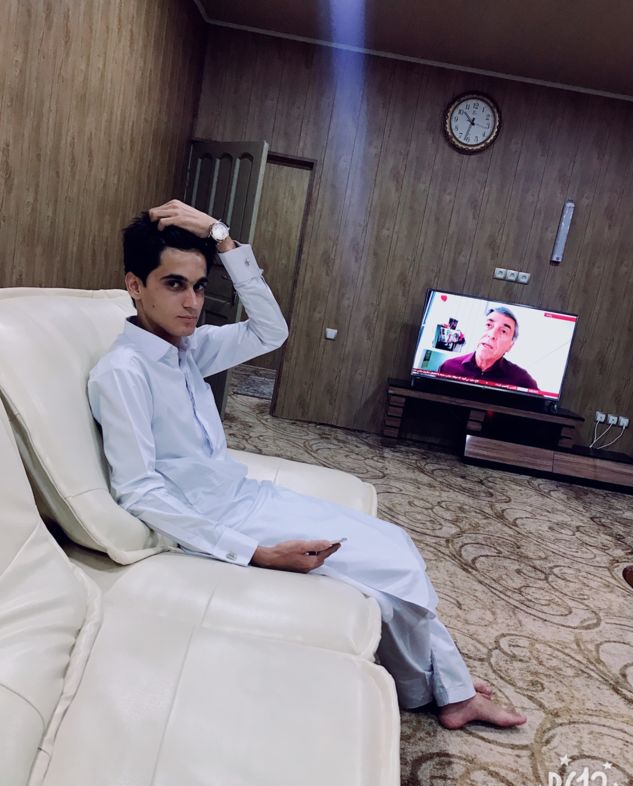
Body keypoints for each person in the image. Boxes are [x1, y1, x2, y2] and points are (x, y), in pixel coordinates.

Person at [88, 199, 527, 729]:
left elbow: (270, 331)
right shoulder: (124, 372)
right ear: (135, 285)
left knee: (393, 547)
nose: (193, 303)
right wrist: (256, 554)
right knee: (395, 567)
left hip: (249, 497)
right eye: (174, 284)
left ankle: (445, 684)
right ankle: (451, 693)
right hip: (221, 522)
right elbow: (139, 491)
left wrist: (224, 238)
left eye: (200, 287)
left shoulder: (187, 349)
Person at [438, 306, 539, 389]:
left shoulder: (522, 381)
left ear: (510, 346)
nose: (492, 335)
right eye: (488, 325)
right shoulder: (448, 367)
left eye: (503, 331)